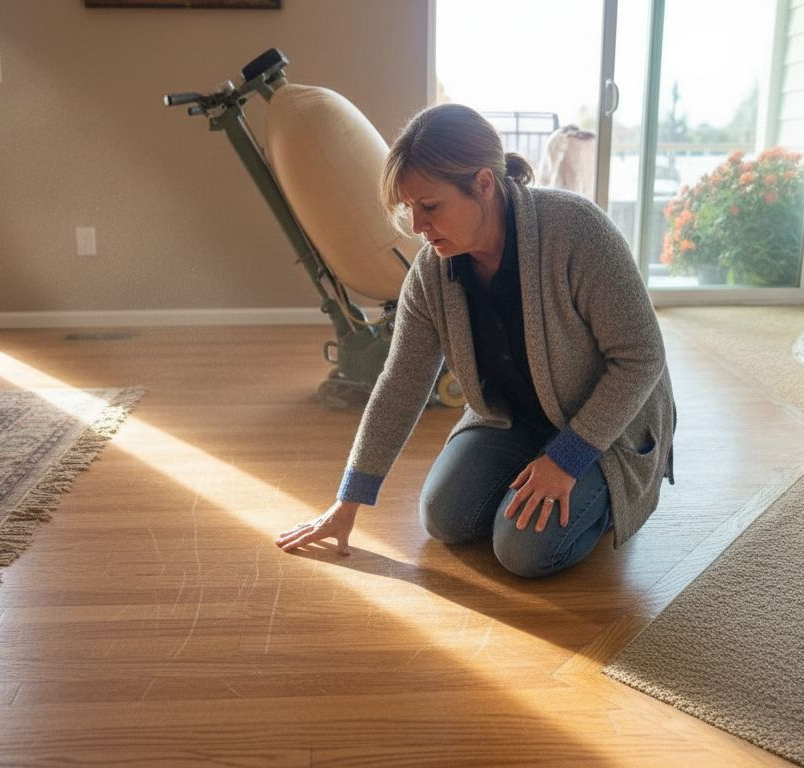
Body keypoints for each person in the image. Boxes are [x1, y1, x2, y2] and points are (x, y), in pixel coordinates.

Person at [275, 103, 676, 577]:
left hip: (607, 427)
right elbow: (401, 381)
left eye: (431, 206)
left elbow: (641, 357)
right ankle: (532, 481)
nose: (419, 226)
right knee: (445, 517)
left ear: (484, 184)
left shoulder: (577, 231)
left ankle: (603, 496)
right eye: (409, 209)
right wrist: (348, 501)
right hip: (512, 419)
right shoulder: (431, 271)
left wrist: (567, 459)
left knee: (524, 551)